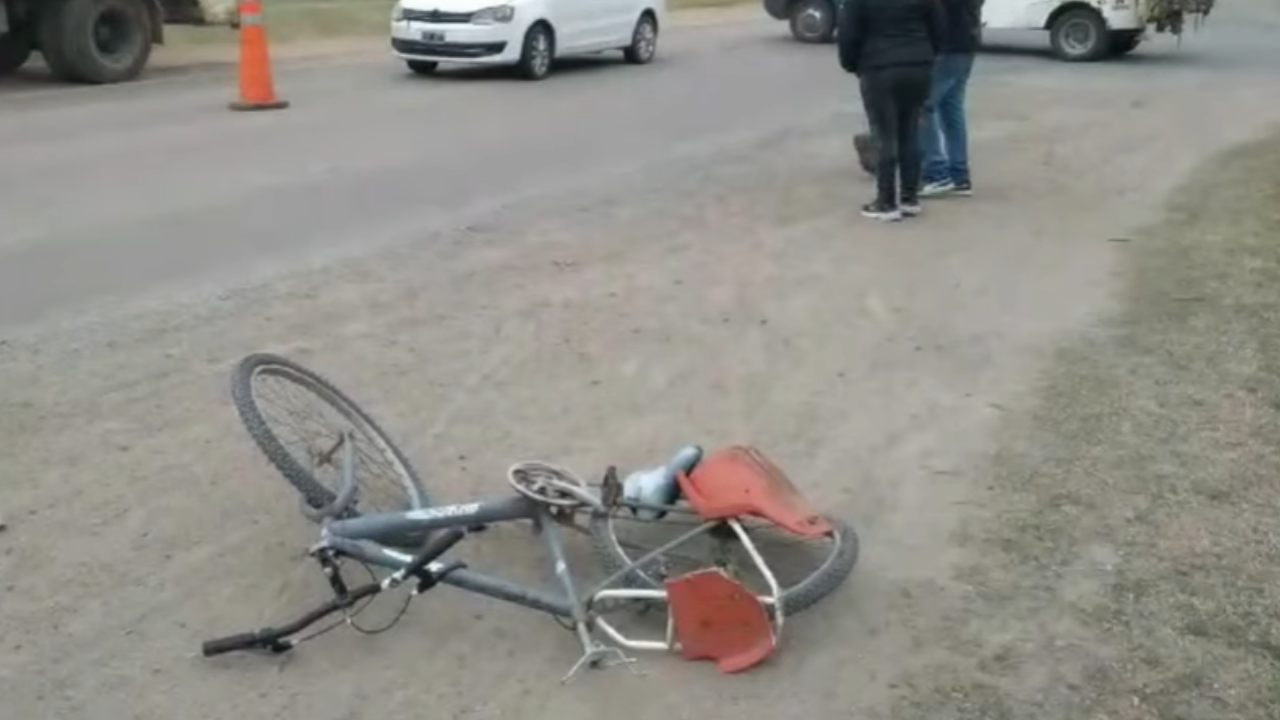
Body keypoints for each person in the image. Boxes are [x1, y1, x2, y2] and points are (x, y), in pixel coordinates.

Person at [838, 0, 944, 222]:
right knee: (911, 131)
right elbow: (939, 27)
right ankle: (909, 197)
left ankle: (886, 201)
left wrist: (852, 64)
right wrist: (925, 54)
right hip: (918, 64)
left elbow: (848, 32)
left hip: (879, 66)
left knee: (884, 134)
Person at [919, 0, 983, 197]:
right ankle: (959, 174)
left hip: (946, 45)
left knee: (922, 107)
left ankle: (937, 172)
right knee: (951, 108)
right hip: (966, 42)